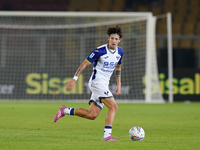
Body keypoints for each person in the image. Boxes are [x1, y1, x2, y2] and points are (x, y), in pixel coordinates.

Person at [54, 25, 123, 141]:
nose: (114, 41)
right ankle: (107, 136)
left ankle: (64, 110)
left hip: (103, 85)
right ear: (108, 38)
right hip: (97, 82)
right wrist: (74, 79)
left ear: (119, 40)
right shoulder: (99, 51)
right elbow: (84, 64)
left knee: (92, 115)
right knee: (114, 106)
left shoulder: (120, 52)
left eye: (116, 39)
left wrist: (119, 83)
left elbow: (118, 66)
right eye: (112, 38)